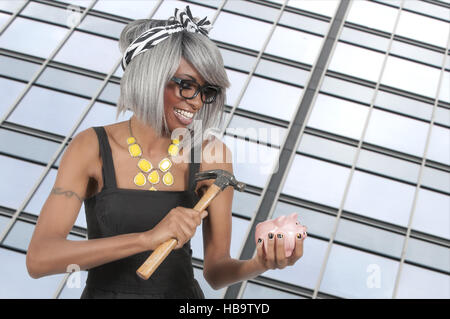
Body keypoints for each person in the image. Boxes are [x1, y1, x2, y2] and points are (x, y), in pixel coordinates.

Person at [26, 6, 305, 299]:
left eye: (206, 91)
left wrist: (259, 263)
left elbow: (216, 272)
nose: (196, 102)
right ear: (150, 77)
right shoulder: (91, 146)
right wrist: (146, 239)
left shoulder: (211, 154)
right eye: (186, 86)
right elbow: (40, 258)